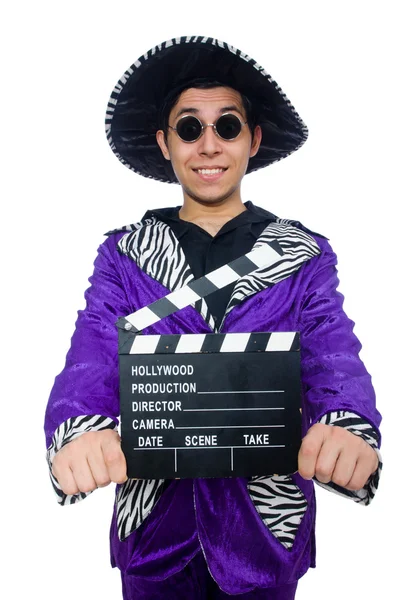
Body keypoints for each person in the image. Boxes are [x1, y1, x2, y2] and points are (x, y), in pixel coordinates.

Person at [44, 36, 382, 599]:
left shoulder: (303, 254)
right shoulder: (124, 255)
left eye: (226, 126)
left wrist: (346, 423)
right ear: (165, 142)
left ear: (252, 140)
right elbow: (93, 354)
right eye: (188, 127)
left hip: (265, 529)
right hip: (154, 530)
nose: (208, 145)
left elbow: (334, 355)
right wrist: (78, 430)